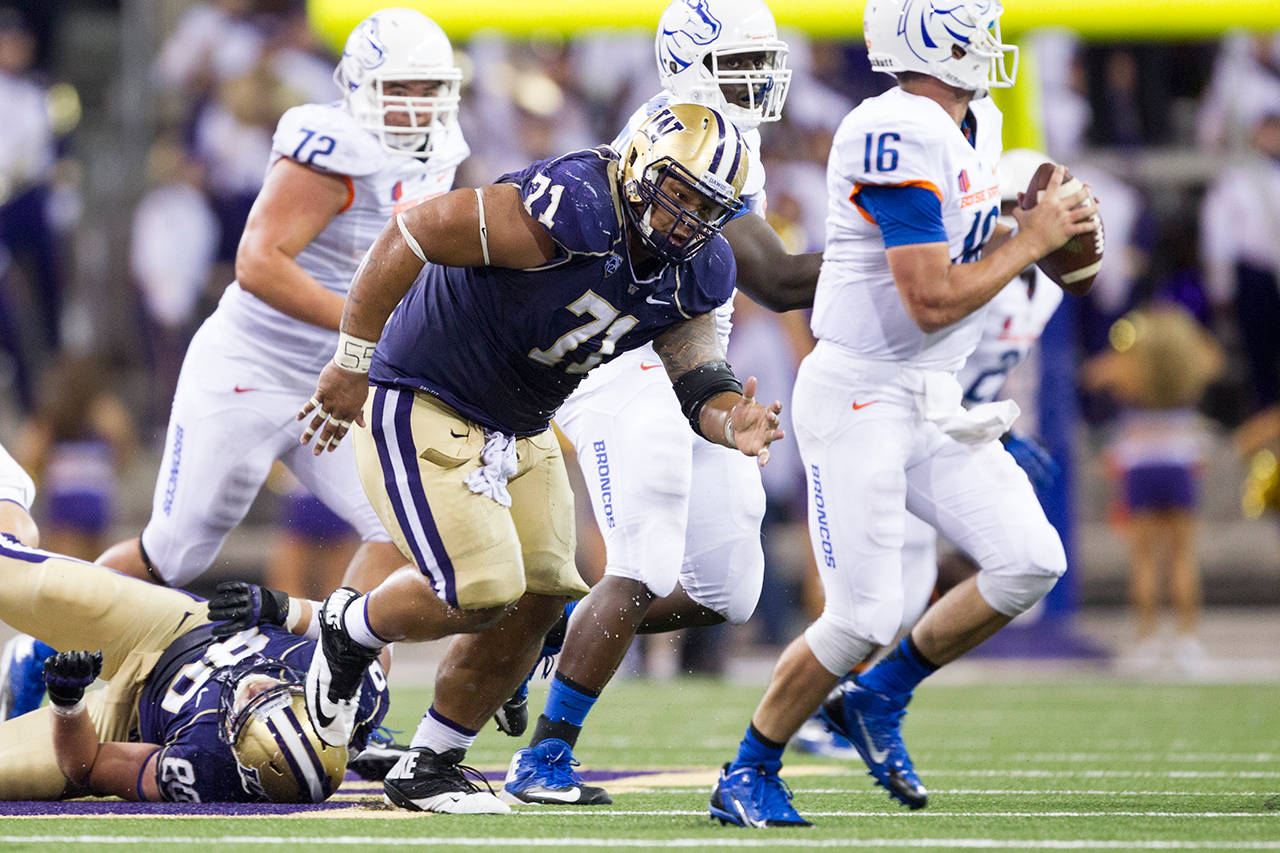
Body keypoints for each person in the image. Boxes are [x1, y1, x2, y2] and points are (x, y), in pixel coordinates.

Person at [295, 103, 784, 815]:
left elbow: (698, 372)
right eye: (679, 192)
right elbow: (413, 230)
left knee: (546, 591)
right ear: (642, 164)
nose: (687, 218)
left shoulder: (700, 266)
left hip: (521, 420)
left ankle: (431, 760)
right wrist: (353, 356)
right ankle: (351, 628)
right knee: (482, 587)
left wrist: (729, 417)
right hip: (427, 391)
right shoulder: (571, 204)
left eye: (706, 207)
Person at [707, 0, 1100, 827]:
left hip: (931, 395)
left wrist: (1069, 236)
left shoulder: (973, 119)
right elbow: (927, 297)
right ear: (925, 36)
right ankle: (748, 767)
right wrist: (1030, 240)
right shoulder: (890, 127)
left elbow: (1067, 275)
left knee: (1030, 558)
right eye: (971, 27)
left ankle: (877, 698)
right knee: (862, 615)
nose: (988, 44)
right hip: (860, 392)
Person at [500, 0, 823, 807]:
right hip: (618, 354)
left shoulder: (729, 136)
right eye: (740, 66)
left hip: (688, 360)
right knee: (645, 554)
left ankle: (539, 633)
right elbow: (779, 280)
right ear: (690, 63)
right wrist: (908, 249)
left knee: (728, 587)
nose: (759, 82)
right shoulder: (678, 135)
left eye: (762, 65)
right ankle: (544, 757)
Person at [95, 8, 468, 598]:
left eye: (430, 89)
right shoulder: (334, 148)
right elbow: (259, 262)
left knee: (400, 532)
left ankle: (337, 671)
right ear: (358, 85)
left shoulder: (442, 148)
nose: (416, 105)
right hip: (253, 368)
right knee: (173, 554)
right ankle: (42, 654)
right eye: (399, 88)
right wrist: (362, 337)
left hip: (341, 382)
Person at [792, 147, 1068, 760]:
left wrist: (995, 429)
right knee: (873, 596)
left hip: (946, 430)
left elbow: (979, 372)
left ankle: (846, 704)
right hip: (896, 419)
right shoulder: (966, 273)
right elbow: (924, 353)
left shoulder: (1042, 290)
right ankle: (819, 710)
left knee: (912, 589)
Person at [0, 441, 389, 803]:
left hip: (127, 723)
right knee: (16, 573)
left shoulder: (203, 769)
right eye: (277, 694)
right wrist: (286, 610)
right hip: (175, 628)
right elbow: (367, 622)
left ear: (239, 760)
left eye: (249, 709)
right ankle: (8, 492)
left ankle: (41, 661)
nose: (254, 687)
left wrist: (69, 704)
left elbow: (89, 767)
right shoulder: (356, 691)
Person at [1082, 304, 1223, 675]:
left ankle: (1146, 640)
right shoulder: (1188, 359)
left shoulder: (1131, 365)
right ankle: (1187, 641)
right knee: (1182, 557)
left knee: (1143, 559)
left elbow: (1093, 374)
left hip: (1140, 463)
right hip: (1179, 461)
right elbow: (1215, 361)